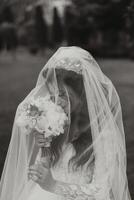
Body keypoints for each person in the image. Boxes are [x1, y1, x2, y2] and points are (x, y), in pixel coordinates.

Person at [0, 46, 132, 200]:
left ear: (82, 94)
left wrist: (54, 185)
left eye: (63, 94)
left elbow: (103, 191)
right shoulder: (56, 123)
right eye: (53, 93)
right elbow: (46, 169)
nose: (57, 100)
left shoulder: (104, 135)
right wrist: (44, 150)